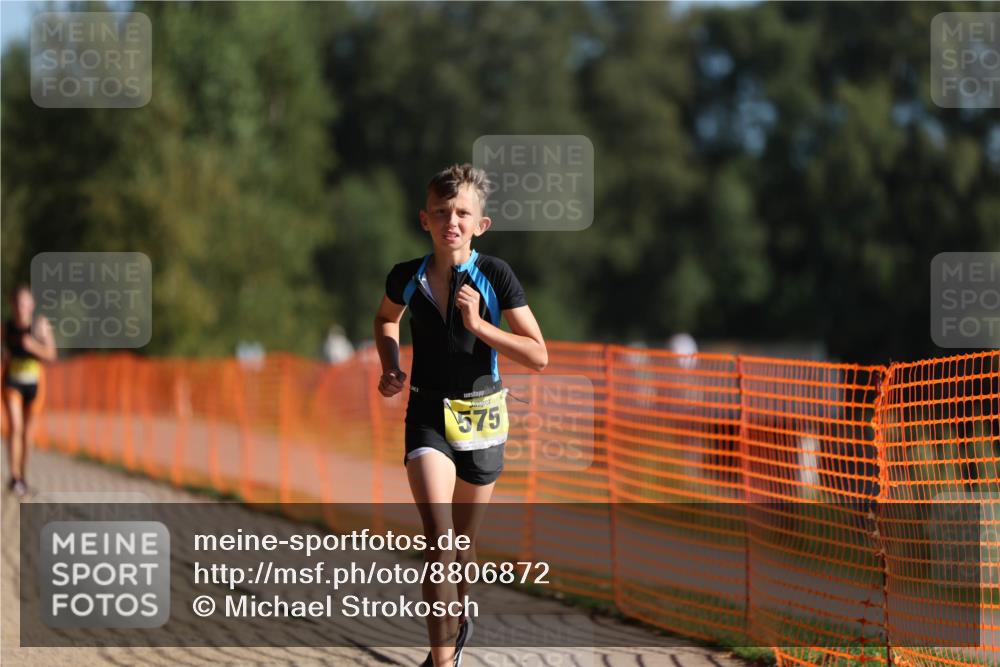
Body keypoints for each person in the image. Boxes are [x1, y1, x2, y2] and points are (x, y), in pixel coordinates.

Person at [374, 164, 547, 666]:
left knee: (464, 550)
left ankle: (459, 617)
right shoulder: (406, 276)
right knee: (440, 544)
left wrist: (479, 324)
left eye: (462, 213)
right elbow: (386, 318)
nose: (452, 220)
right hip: (427, 412)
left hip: (483, 417)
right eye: (442, 212)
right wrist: (391, 363)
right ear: (424, 219)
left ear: (480, 224)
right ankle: (442, 661)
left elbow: (538, 355)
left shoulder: (495, 276)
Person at [2, 284, 57, 497]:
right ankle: (14, 476)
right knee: (15, 427)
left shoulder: (40, 325)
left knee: (27, 434)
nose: (20, 308)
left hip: (34, 383)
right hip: (12, 382)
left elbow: (52, 354)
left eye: (24, 303)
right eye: (17, 303)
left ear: (32, 305)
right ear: (11, 305)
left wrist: (33, 346)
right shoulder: (6, 328)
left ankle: (23, 477)